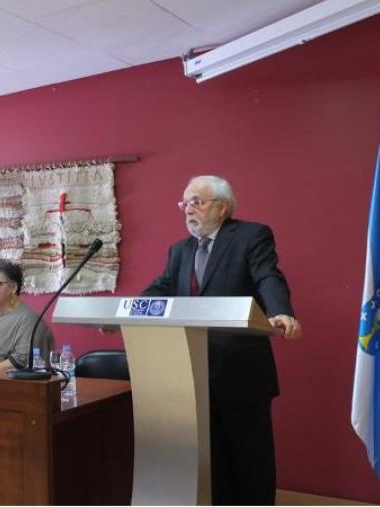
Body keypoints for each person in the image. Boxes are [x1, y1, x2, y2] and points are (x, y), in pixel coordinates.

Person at [141, 175, 301, 506]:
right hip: (194, 375)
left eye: (197, 202)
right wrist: (125, 313)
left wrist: (281, 312)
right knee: (213, 465)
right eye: (185, 203)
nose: (188, 209)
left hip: (240, 371)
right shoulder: (179, 251)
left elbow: (268, 276)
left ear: (222, 207)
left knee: (250, 463)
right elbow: (161, 288)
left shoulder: (250, 236)